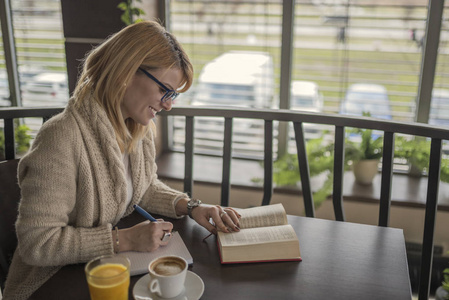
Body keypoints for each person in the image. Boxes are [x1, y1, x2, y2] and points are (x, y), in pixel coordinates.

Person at [3, 20, 240, 300]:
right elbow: (38, 243)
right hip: (50, 283)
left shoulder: (137, 128)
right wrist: (124, 239)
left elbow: (144, 188)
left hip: (103, 269)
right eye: (165, 91)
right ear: (127, 72)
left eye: (173, 95)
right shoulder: (60, 138)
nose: (168, 104)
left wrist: (191, 206)